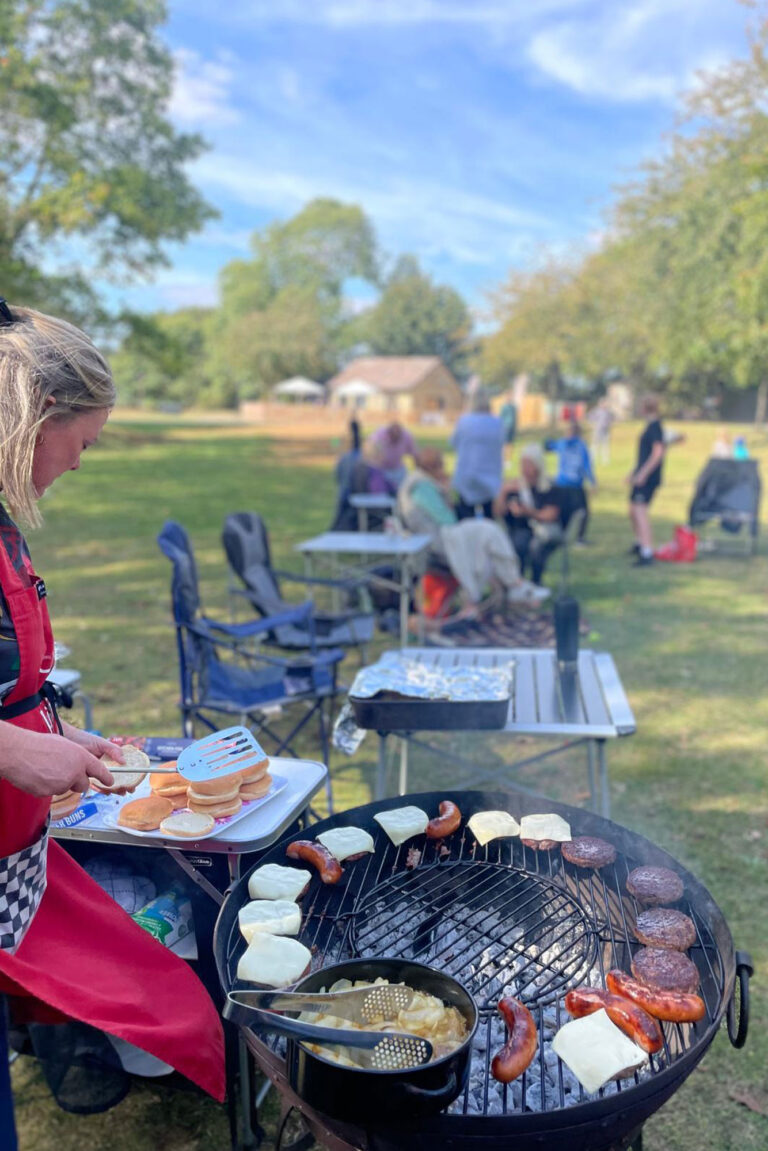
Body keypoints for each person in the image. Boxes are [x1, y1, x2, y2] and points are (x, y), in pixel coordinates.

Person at [0, 301, 224, 1143]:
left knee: (168, 1000)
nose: (81, 464)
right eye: (83, 442)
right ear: (35, 417)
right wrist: (11, 748)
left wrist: (54, 735)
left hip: (16, 856)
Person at [397, 448, 548, 617]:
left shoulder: (420, 482)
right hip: (438, 539)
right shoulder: (422, 486)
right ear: (434, 467)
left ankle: (514, 584)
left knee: (488, 533)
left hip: (441, 535)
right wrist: (446, 491)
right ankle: (514, 584)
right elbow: (447, 519)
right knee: (487, 531)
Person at [495, 443, 567, 584]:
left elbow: (551, 515)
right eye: (523, 464)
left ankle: (535, 582)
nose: (525, 469)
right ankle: (517, 583)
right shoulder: (514, 487)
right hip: (519, 531)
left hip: (544, 532)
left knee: (536, 548)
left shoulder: (549, 487)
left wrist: (527, 512)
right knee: (516, 544)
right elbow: (498, 512)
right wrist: (503, 493)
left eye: (529, 465)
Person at [451, 388, 505, 519]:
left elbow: (454, 443)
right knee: (488, 516)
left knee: (466, 516)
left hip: (467, 476)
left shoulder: (464, 421)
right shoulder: (497, 423)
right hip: (490, 478)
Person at [627, 394, 666, 567]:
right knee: (632, 510)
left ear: (645, 408)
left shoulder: (655, 427)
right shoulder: (649, 426)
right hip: (640, 475)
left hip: (648, 478)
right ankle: (639, 542)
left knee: (641, 512)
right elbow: (644, 455)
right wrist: (633, 472)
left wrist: (643, 474)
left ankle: (647, 552)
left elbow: (658, 453)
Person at [544, 421, 596, 546]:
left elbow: (548, 446)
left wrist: (548, 438)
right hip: (574, 484)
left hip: (563, 483)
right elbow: (586, 465)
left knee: (567, 511)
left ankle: (562, 536)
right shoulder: (581, 445)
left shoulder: (562, 443)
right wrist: (592, 481)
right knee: (582, 512)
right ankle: (579, 538)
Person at [366, 420, 416, 489]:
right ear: (389, 432)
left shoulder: (407, 436)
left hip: (398, 470)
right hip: (383, 469)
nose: (394, 439)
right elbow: (369, 445)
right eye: (393, 436)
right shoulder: (380, 433)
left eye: (397, 437)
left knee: (400, 490)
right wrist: (376, 457)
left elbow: (414, 453)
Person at [588, 399, 614, 465]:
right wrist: (593, 424)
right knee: (595, 445)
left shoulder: (608, 412)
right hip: (598, 431)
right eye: (603, 404)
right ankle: (591, 459)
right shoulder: (597, 411)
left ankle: (605, 461)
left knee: (605, 446)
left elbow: (611, 419)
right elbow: (590, 417)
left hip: (605, 431)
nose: (604, 405)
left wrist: (609, 424)